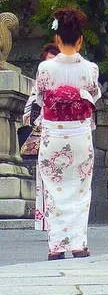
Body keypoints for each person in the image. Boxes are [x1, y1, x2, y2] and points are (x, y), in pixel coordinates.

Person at [35, 8, 101, 260]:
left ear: (57, 40)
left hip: (54, 133)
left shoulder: (45, 68)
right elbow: (93, 97)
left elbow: (41, 99)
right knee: (80, 187)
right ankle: (78, 243)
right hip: (80, 133)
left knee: (54, 187)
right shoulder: (91, 69)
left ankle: (56, 245)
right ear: (81, 39)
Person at [23, 43, 60, 232]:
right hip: (47, 126)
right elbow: (32, 102)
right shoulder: (42, 77)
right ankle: (46, 221)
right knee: (46, 175)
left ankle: (63, 220)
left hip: (64, 127)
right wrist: (31, 120)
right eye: (48, 60)